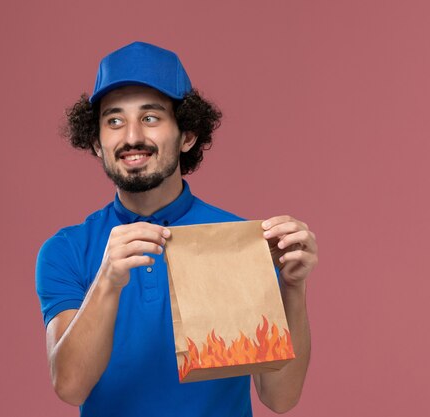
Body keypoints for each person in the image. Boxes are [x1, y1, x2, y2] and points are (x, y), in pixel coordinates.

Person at [35, 41, 318, 417]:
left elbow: (280, 398)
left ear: (187, 135)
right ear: (96, 143)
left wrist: (292, 287)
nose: (132, 136)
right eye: (114, 120)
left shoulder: (235, 241)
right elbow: (70, 387)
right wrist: (107, 280)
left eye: (151, 118)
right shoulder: (67, 250)